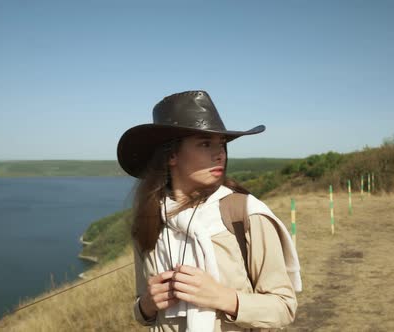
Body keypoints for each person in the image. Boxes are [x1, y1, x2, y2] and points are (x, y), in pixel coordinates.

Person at [116, 90, 302, 331]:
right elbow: (143, 311)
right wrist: (147, 305)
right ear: (171, 155)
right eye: (205, 144)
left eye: (222, 145)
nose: (219, 154)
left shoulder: (245, 213)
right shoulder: (150, 220)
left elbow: (284, 308)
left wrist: (222, 297)